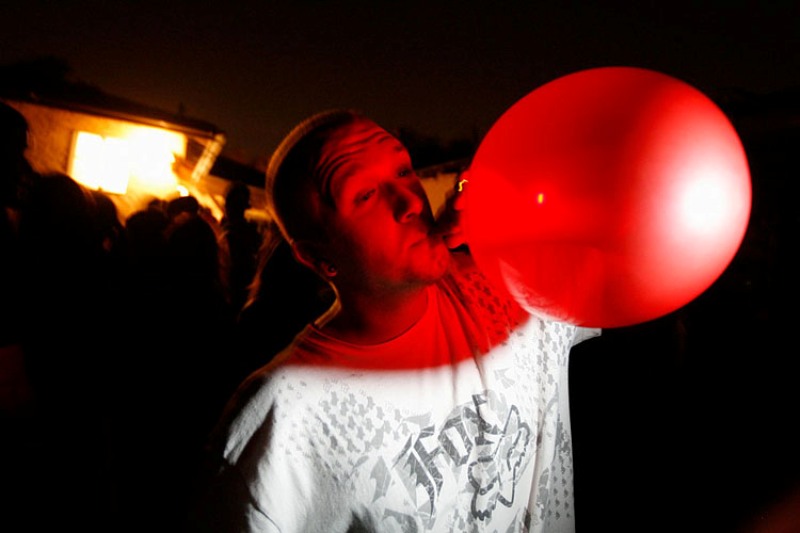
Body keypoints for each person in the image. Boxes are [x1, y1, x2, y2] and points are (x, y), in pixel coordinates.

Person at [188, 109, 600, 533]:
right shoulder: (286, 416)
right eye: (364, 196)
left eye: (404, 171)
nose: (409, 201)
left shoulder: (508, 286)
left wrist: (517, 212)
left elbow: (626, 236)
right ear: (316, 258)